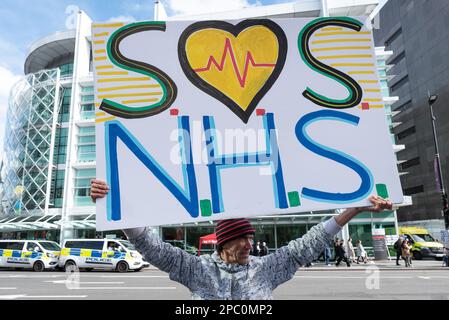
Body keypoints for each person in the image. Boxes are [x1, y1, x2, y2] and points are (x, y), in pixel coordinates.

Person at [90, 179, 392, 299]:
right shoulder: (197, 270)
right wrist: (116, 209)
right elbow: (153, 248)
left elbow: (309, 244)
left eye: (251, 238)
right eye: (241, 239)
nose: (250, 244)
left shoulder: (265, 269)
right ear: (223, 243)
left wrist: (355, 208)